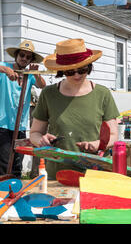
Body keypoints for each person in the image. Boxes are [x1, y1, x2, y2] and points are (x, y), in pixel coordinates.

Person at [30, 38, 120, 179]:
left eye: (82, 69)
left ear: (89, 66)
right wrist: (42, 140)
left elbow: (114, 136)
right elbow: (34, 133)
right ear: (62, 71)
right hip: (58, 175)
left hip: (96, 175)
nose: (77, 75)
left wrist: (98, 144)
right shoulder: (48, 94)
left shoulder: (103, 94)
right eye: (70, 72)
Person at [0, 40, 46, 177]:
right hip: (3, 125)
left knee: (17, 163)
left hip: (20, 126)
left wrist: (36, 74)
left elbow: (42, 85)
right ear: (16, 55)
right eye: (22, 55)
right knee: (4, 163)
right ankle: (2, 194)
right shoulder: (4, 67)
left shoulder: (29, 75)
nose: (24, 59)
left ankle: (16, 191)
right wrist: (6, 70)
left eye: (28, 57)